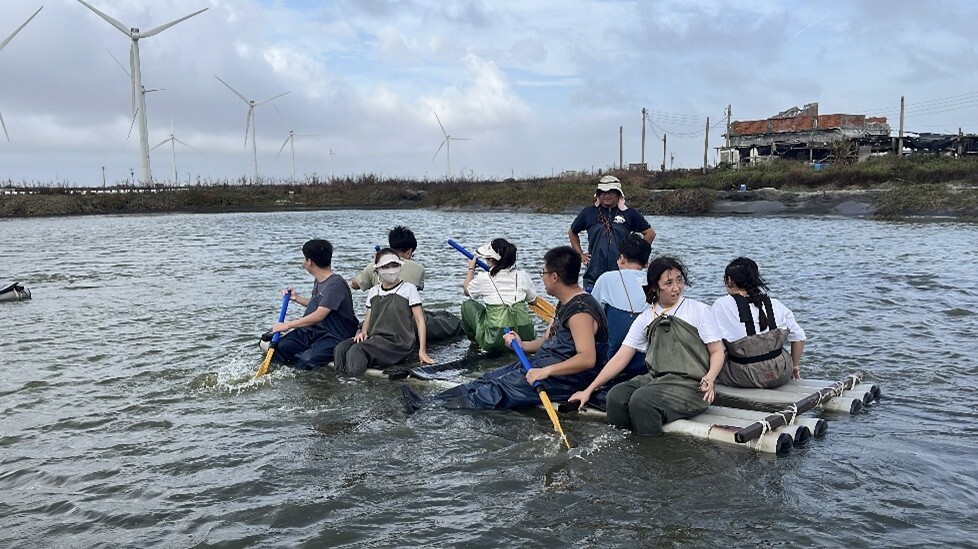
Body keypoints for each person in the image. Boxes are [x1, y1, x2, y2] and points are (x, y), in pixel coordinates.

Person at [403, 246, 608, 411]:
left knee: (496, 389)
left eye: (543, 273)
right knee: (488, 378)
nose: (541, 277)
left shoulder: (581, 310)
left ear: (555, 277)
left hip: (565, 379)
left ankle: (430, 410)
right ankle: (428, 404)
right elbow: (549, 341)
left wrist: (545, 371)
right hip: (543, 364)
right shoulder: (565, 302)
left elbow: (587, 358)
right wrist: (522, 344)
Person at [569, 257, 724, 436]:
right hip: (657, 379)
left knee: (642, 402)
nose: (677, 288)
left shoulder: (698, 310)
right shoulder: (646, 317)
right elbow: (620, 357)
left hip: (693, 385)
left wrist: (710, 378)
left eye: (679, 280)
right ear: (654, 287)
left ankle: (649, 451)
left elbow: (717, 350)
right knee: (615, 396)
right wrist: (588, 390)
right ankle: (622, 446)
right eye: (668, 283)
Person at [333, 248, 435, 377]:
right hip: (375, 339)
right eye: (386, 266)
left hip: (398, 343)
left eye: (394, 265)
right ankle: (341, 382)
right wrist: (363, 332)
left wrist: (422, 351)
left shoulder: (409, 289)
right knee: (340, 349)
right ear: (377, 270)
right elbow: (368, 319)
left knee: (357, 351)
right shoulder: (374, 291)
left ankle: (354, 384)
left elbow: (420, 321)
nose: (391, 269)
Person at [711, 257, 806, 388]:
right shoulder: (775, 304)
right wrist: (794, 365)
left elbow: (711, 341)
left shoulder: (721, 305)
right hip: (781, 373)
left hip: (745, 377)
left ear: (729, 281)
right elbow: (799, 337)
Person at [272, 239, 359, 370]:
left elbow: (319, 315)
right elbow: (320, 305)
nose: (303, 262)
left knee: (307, 360)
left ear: (310, 262)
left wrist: (287, 325)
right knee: (281, 347)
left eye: (304, 258)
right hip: (314, 331)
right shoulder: (319, 280)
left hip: (335, 335)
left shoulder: (335, 284)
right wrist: (297, 298)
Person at [568, 175, 656, 291]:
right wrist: (580, 254)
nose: (607, 195)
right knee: (592, 308)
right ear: (598, 195)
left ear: (619, 194)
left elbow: (650, 233)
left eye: (611, 192)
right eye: (603, 192)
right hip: (594, 276)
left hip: (622, 276)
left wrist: (637, 254)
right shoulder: (588, 213)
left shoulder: (630, 214)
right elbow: (572, 232)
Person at [590, 233, 652, 382]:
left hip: (615, 355)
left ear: (622, 258)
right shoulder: (656, 279)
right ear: (646, 263)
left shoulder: (606, 278)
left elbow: (590, 314)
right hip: (648, 360)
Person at [460, 238, 537, 353]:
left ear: (491, 259)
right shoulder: (522, 275)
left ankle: (475, 343)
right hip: (526, 335)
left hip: (495, 338)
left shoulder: (484, 277)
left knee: (467, 305)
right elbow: (533, 300)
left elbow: (467, 290)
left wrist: (471, 269)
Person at [351, 225, 425, 290]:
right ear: (409, 252)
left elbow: (354, 284)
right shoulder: (419, 269)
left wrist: (377, 262)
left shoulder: (374, 267)